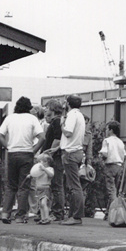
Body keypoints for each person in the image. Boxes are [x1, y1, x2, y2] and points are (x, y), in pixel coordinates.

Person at [0, 96, 45, 224]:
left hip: (12, 154)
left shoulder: (9, 118)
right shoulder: (32, 119)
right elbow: (42, 137)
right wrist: (33, 150)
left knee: (11, 185)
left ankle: (5, 213)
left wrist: (8, 146)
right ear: (29, 108)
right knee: (24, 186)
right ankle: (20, 216)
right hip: (27, 153)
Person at [59, 94, 86, 225]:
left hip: (70, 152)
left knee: (74, 186)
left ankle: (76, 216)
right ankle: (73, 215)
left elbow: (68, 132)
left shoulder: (71, 115)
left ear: (68, 104)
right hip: (78, 151)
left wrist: (61, 126)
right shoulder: (80, 115)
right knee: (74, 185)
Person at [42, 99, 65, 221]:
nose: (45, 110)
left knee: (56, 185)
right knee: (56, 185)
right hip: (56, 157)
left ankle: (58, 213)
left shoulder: (56, 121)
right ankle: (56, 211)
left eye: (47, 108)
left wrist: (48, 153)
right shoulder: (57, 121)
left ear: (53, 109)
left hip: (55, 157)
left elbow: (57, 139)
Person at [99, 120, 126, 208]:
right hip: (119, 166)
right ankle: (108, 211)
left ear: (110, 130)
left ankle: (114, 210)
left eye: (107, 129)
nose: (106, 131)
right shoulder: (120, 142)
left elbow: (105, 154)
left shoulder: (107, 140)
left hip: (110, 166)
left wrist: (101, 156)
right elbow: (124, 155)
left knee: (111, 190)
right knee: (116, 189)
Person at [33, 153, 55, 225]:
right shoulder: (39, 170)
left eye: (41, 161)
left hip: (45, 188)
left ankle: (47, 218)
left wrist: (44, 169)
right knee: (40, 205)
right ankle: (43, 218)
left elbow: (51, 175)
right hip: (39, 188)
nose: (39, 163)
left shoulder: (49, 169)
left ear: (46, 162)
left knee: (44, 203)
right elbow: (35, 174)